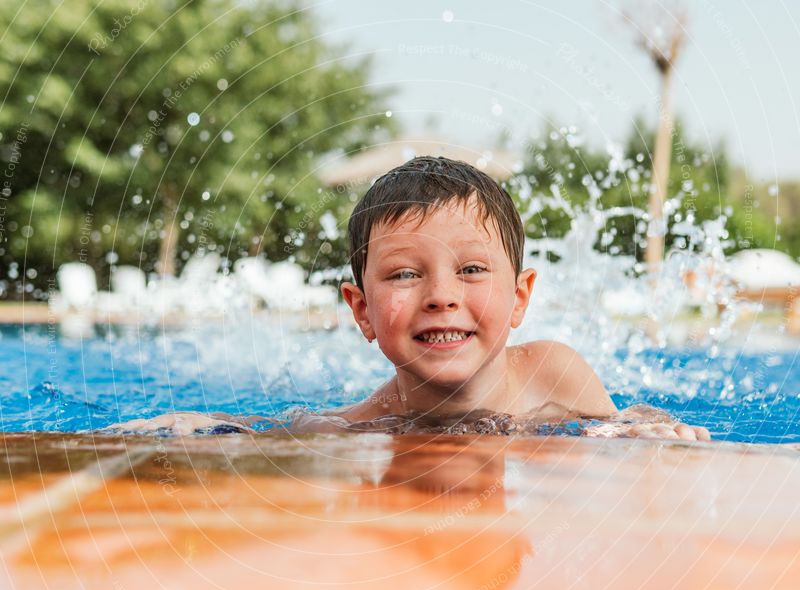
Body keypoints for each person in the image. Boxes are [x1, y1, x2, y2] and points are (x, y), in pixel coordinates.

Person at [114, 156, 710, 441]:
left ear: (521, 297)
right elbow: (281, 430)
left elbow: (625, 424)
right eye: (403, 276)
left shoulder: (554, 372)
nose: (441, 296)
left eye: (472, 268)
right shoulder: (366, 424)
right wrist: (210, 425)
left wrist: (657, 427)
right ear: (362, 311)